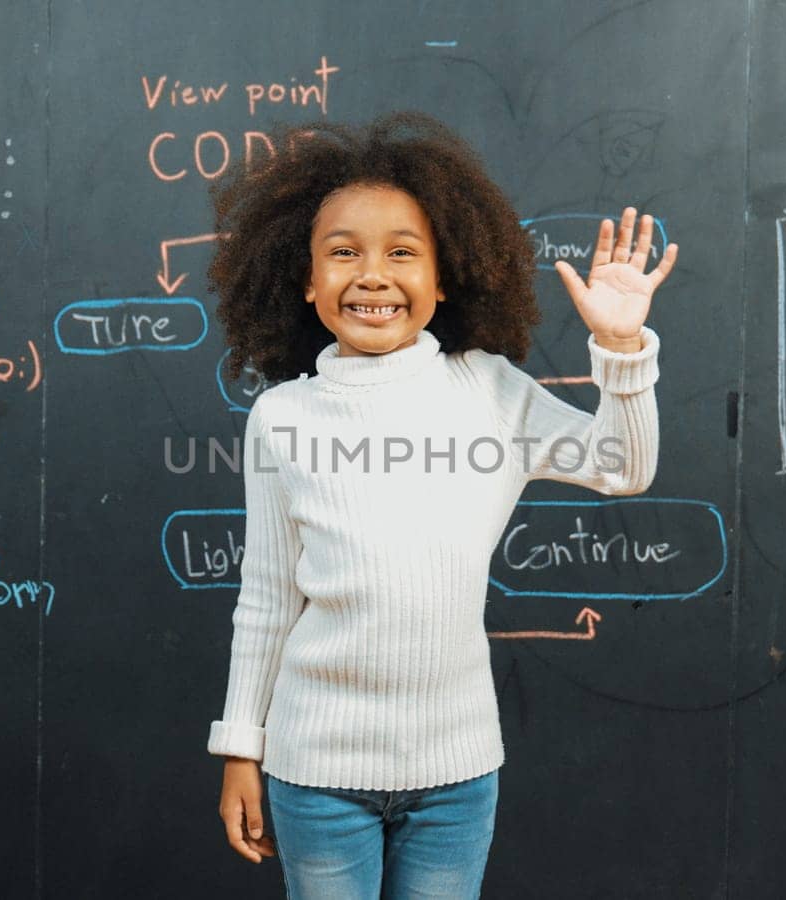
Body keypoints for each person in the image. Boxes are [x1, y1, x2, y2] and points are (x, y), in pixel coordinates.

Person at [205, 110, 677, 899]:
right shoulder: (282, 417)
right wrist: (239, 748)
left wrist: (622, 349)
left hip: (456, 777)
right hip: (314, 772)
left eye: (403, 253)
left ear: (444, 274)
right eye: (343, 253)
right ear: (308, 279)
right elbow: (266, 598)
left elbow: (623, 466)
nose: (373, 275)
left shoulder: (488, 390)